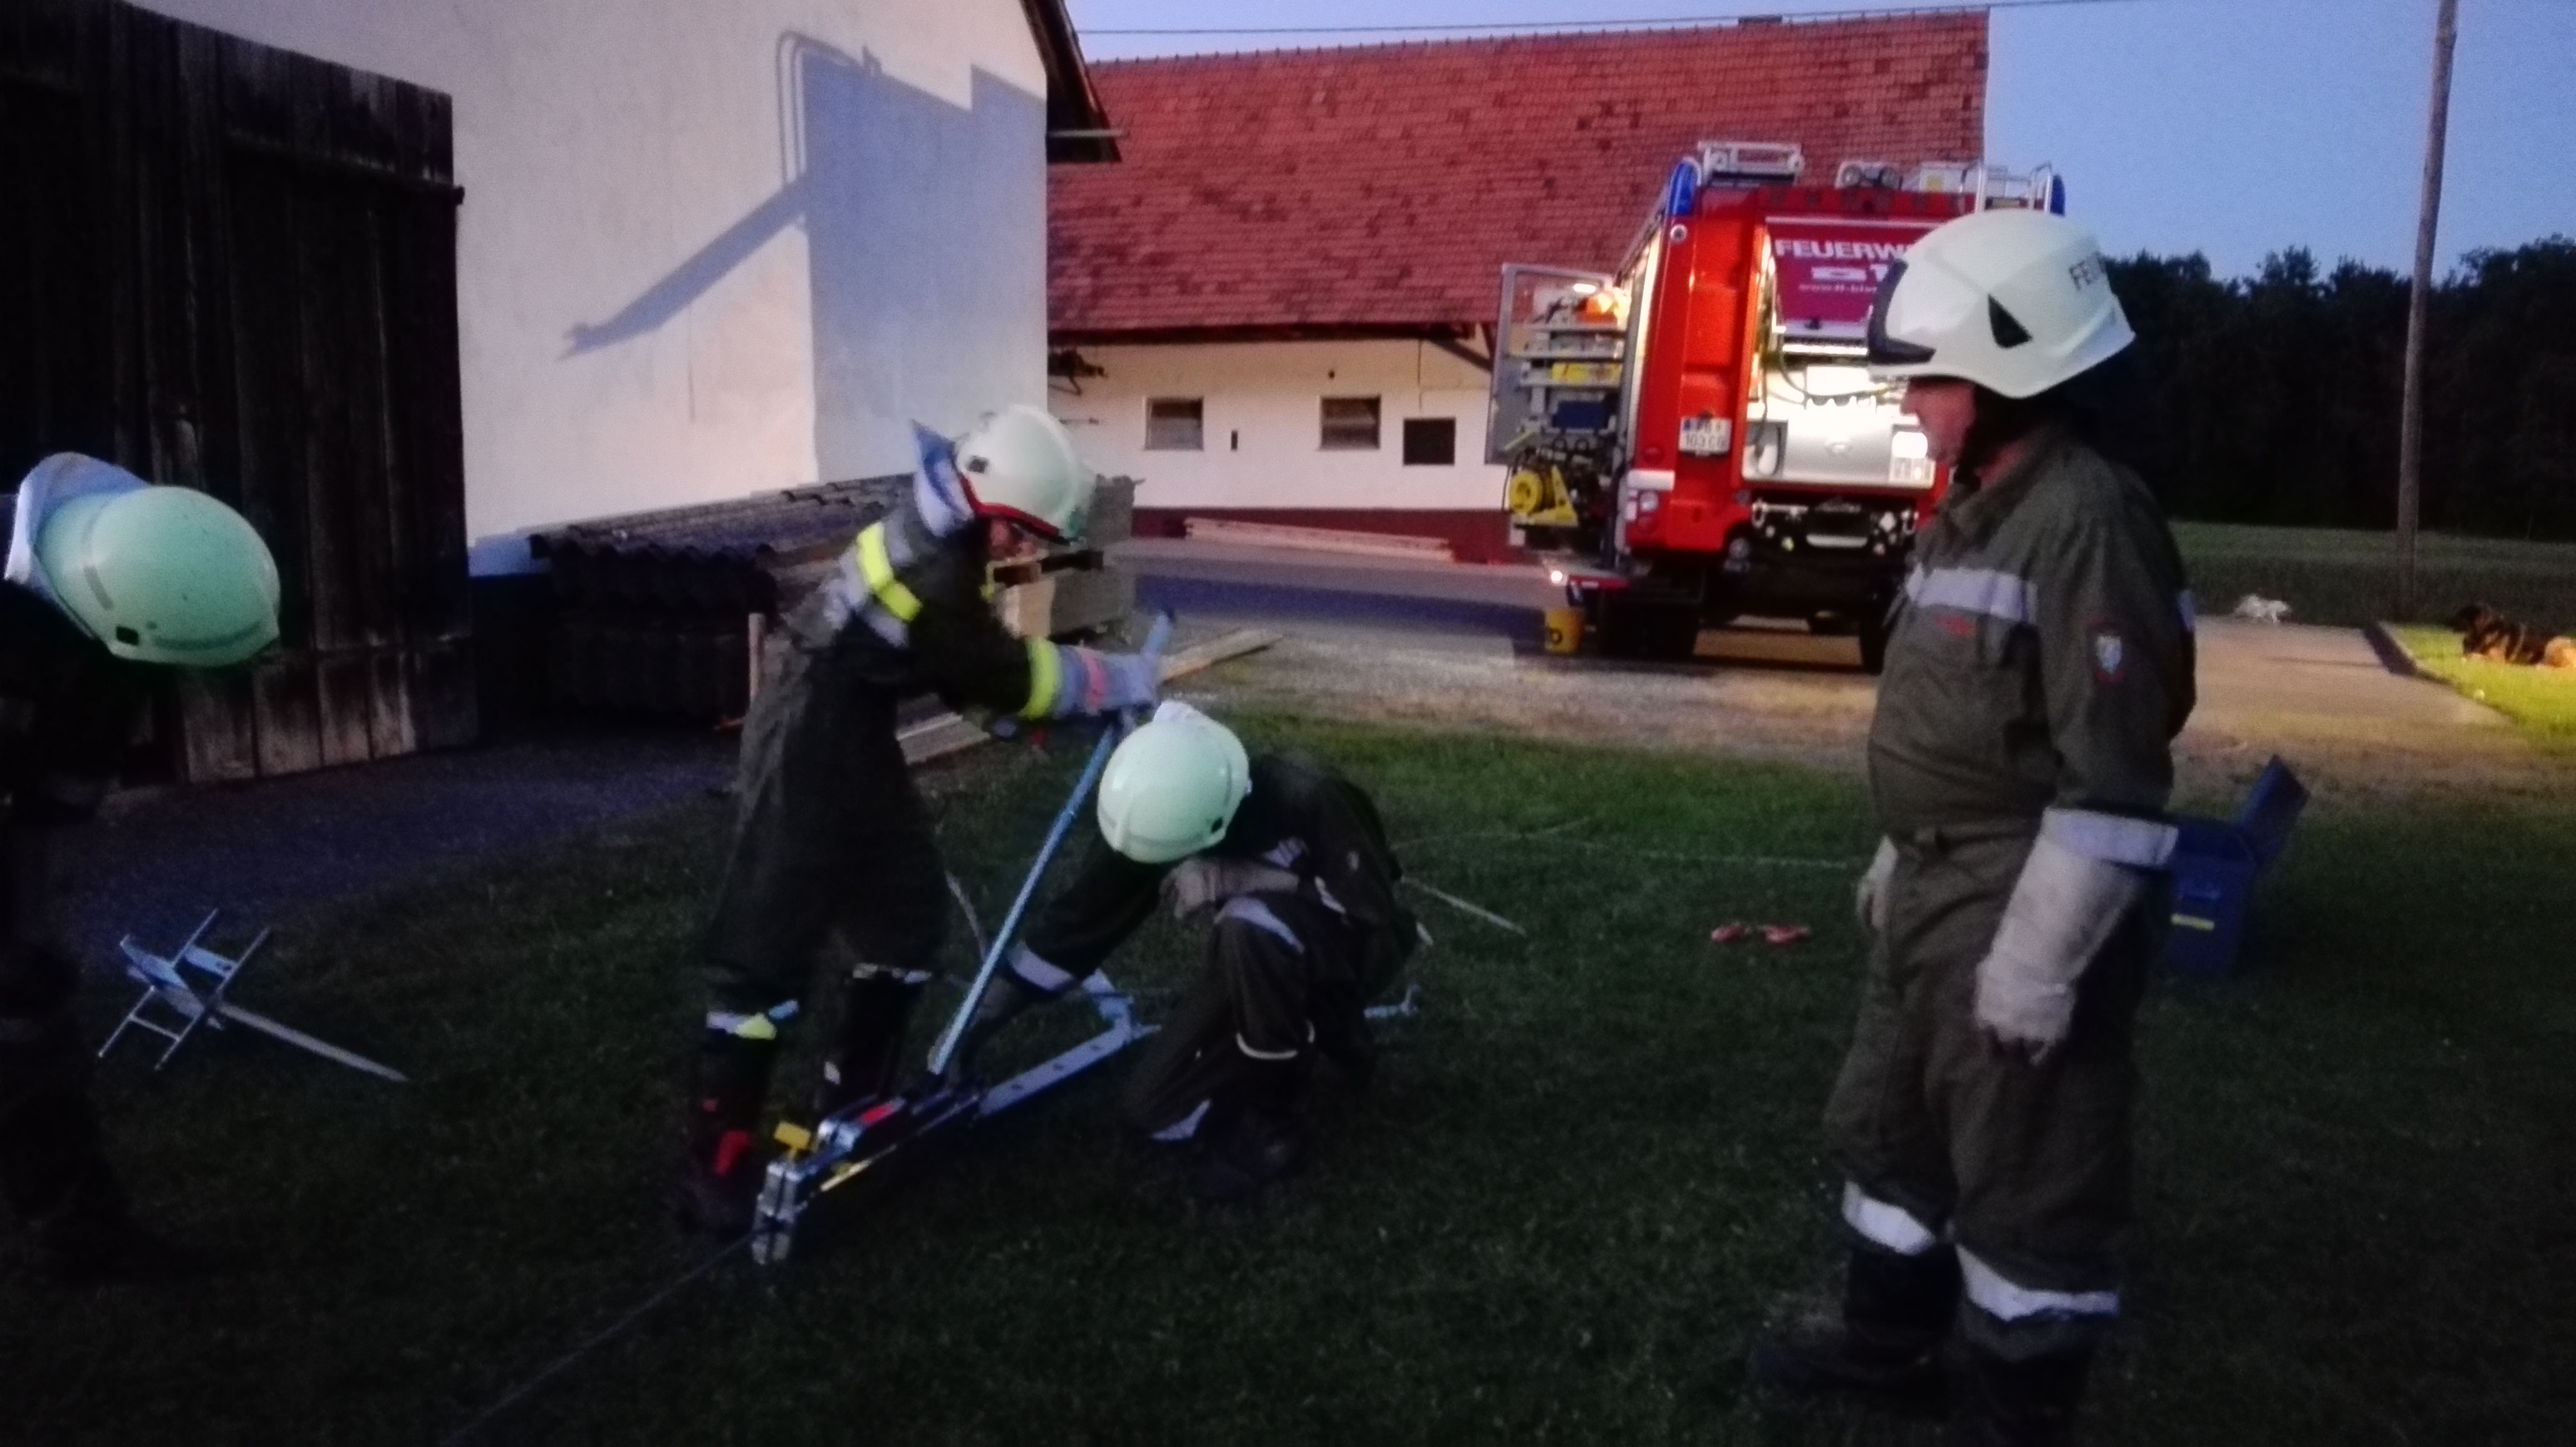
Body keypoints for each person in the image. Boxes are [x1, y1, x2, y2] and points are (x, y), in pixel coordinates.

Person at [1748, 210, 2196, 1445]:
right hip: (1936, 896)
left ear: (2013, 374)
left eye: (1931, 380)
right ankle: (1886, 1348)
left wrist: (2039, 961)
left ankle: (2014, 1414)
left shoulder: (2088, 520)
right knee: (1894, 1129)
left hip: (2017, 903)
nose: (1912, 405)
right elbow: (1967, 722)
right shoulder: (1976, 509)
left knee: (2029, 1175)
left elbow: (2114, 778)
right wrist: (1901, 845)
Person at [674, 406, 1161, 1235]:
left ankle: (851, 1111)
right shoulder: (937, 569)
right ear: (990, 501)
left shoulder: (944, 530)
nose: (1021, 549)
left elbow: (954, 670)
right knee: (766, 937)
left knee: (905, 912)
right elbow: (1004, 674)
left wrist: (1031, 721)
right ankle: (714, 1168)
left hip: (854, 723)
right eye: (1022, 531)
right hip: (806, 733)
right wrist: (1119, 680)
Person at [946, 701, 1417, 1202]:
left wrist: (1237, 877)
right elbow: (1072, 933)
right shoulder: (1154, 816)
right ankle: (1320, 1032)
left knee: (1249, 922)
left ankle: (1272, 1124)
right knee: (1153, 1109)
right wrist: (971, 1030)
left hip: (1352, 948)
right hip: (1257, 964)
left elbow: (1369, 911)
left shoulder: (1308, 794)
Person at [2, 453, 282, 1283]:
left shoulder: (114, 616)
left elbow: (52, 806)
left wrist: (32, 933)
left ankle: (80, 1232)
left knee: (28, 1015)